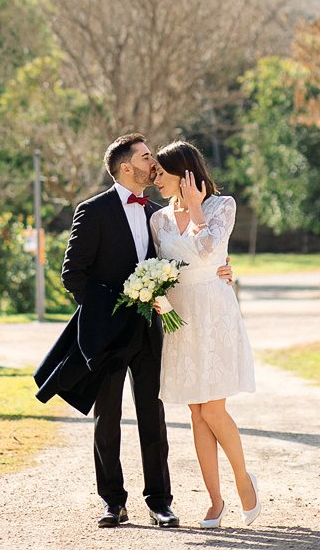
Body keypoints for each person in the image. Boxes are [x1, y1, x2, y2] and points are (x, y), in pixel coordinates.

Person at [34, 133, 234, 529]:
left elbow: (185, 260)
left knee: (153, 417)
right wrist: (110, 309)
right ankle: (113, 502)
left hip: (149, 331)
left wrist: (223, 272)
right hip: (107, 334)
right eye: (146, 158)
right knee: (106, 419)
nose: (153, 164)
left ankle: (160, 502)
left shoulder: (157, 213)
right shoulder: (91, 211)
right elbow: (72, 275)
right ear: (127, 166)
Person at [151, 139, 259, 530]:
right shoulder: (158, 220)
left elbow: (209, 247)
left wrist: (195, 207)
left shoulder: (222, 206)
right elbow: (159, 266)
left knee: (213, 408)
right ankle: (215, 501)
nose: (155, 180)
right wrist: (154, 294)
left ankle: (244, 481)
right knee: (196, 412)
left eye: (161, 173)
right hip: (180, 319)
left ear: (185, 173)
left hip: (214, 313)